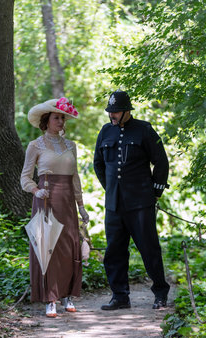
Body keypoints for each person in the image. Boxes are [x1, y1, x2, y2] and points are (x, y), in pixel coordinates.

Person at [94, 90, 170, 310]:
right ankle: (120, 296)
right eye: (110, 111)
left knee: (149, 249)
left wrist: (155, 192)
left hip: (140, 203)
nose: (112, 115)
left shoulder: (144, 129)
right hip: (114, 204)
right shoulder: (105, 131)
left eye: (116, 111)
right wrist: (110, 189)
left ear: (127, 111)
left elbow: (161, 162)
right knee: (114, 251)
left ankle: (160, 294)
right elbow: (98, 163)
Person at [21, 97, 89, 318]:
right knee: (48, 245)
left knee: (70, 246)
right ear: (46, 120)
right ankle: (50, 298)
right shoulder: (35, 145)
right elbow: (25, 178)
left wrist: (81, 206)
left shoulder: (71, 146)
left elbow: (75, 177)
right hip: (46, 199)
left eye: (62, 118)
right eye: (56, 117)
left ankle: (68, 295)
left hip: (68, 200)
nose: (61, 121)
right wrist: (35, 190)